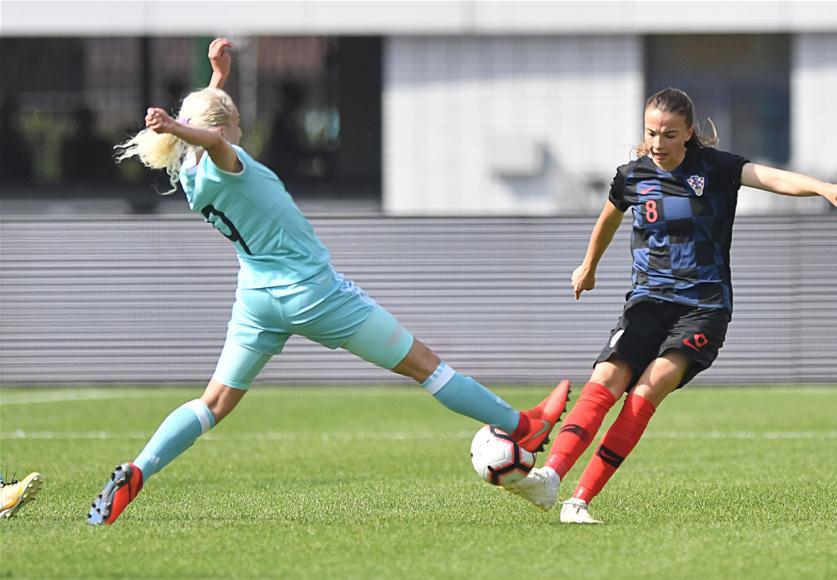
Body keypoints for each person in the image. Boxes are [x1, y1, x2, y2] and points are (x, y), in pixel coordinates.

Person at [87, 38, 569, 525]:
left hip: (257, 298)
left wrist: (216, 82)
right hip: (313, 292)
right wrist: (183, 122)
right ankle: (522, 427)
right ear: (224, 130)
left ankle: (139, 470)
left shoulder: (190, 172)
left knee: (212, 404)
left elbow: (205, 135)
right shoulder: (223, 159)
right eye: (235, 124)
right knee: (425, 365)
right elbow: (213, 138)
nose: (240, 131)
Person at [506, 87, 837, 524]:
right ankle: (550, 478)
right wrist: (588, 265)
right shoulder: (632, 175)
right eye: (651, 133)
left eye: (669, 134)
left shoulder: (717, 168)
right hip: (648, 300)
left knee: (646, 390)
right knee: (606, 379)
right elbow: (609, 216)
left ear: (689, 133)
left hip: (703, 307)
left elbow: (771, 178)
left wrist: (823, 188)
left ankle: (579, 501)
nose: (658, 143)